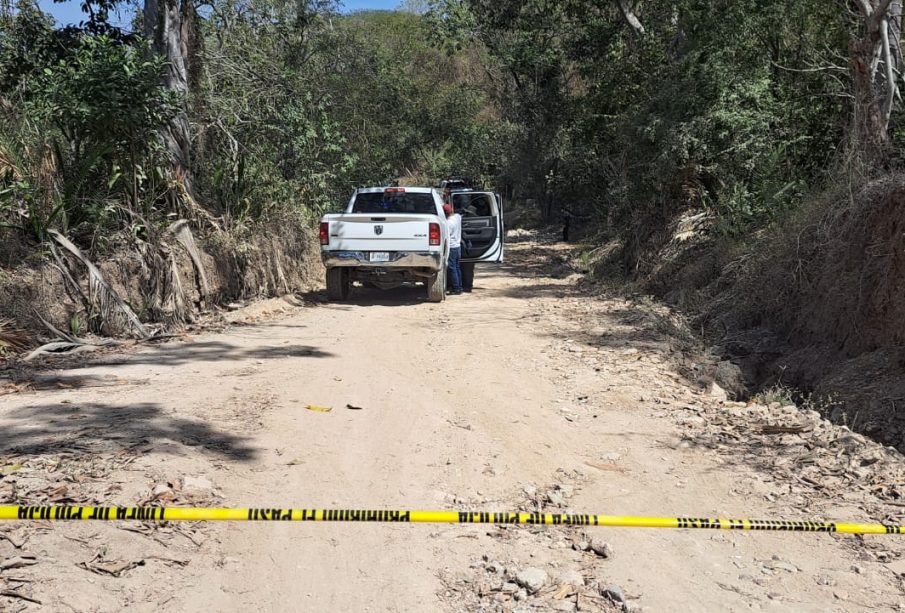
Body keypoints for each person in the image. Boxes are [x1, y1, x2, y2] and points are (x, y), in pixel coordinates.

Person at [444, 203, 463, 295]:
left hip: (451, 247)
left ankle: (456, 288)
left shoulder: (448, 223)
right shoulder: (458, 217)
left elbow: (446, 236)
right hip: (458, 246)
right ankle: (459, 287)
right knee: (457, 267)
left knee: (452, 268)